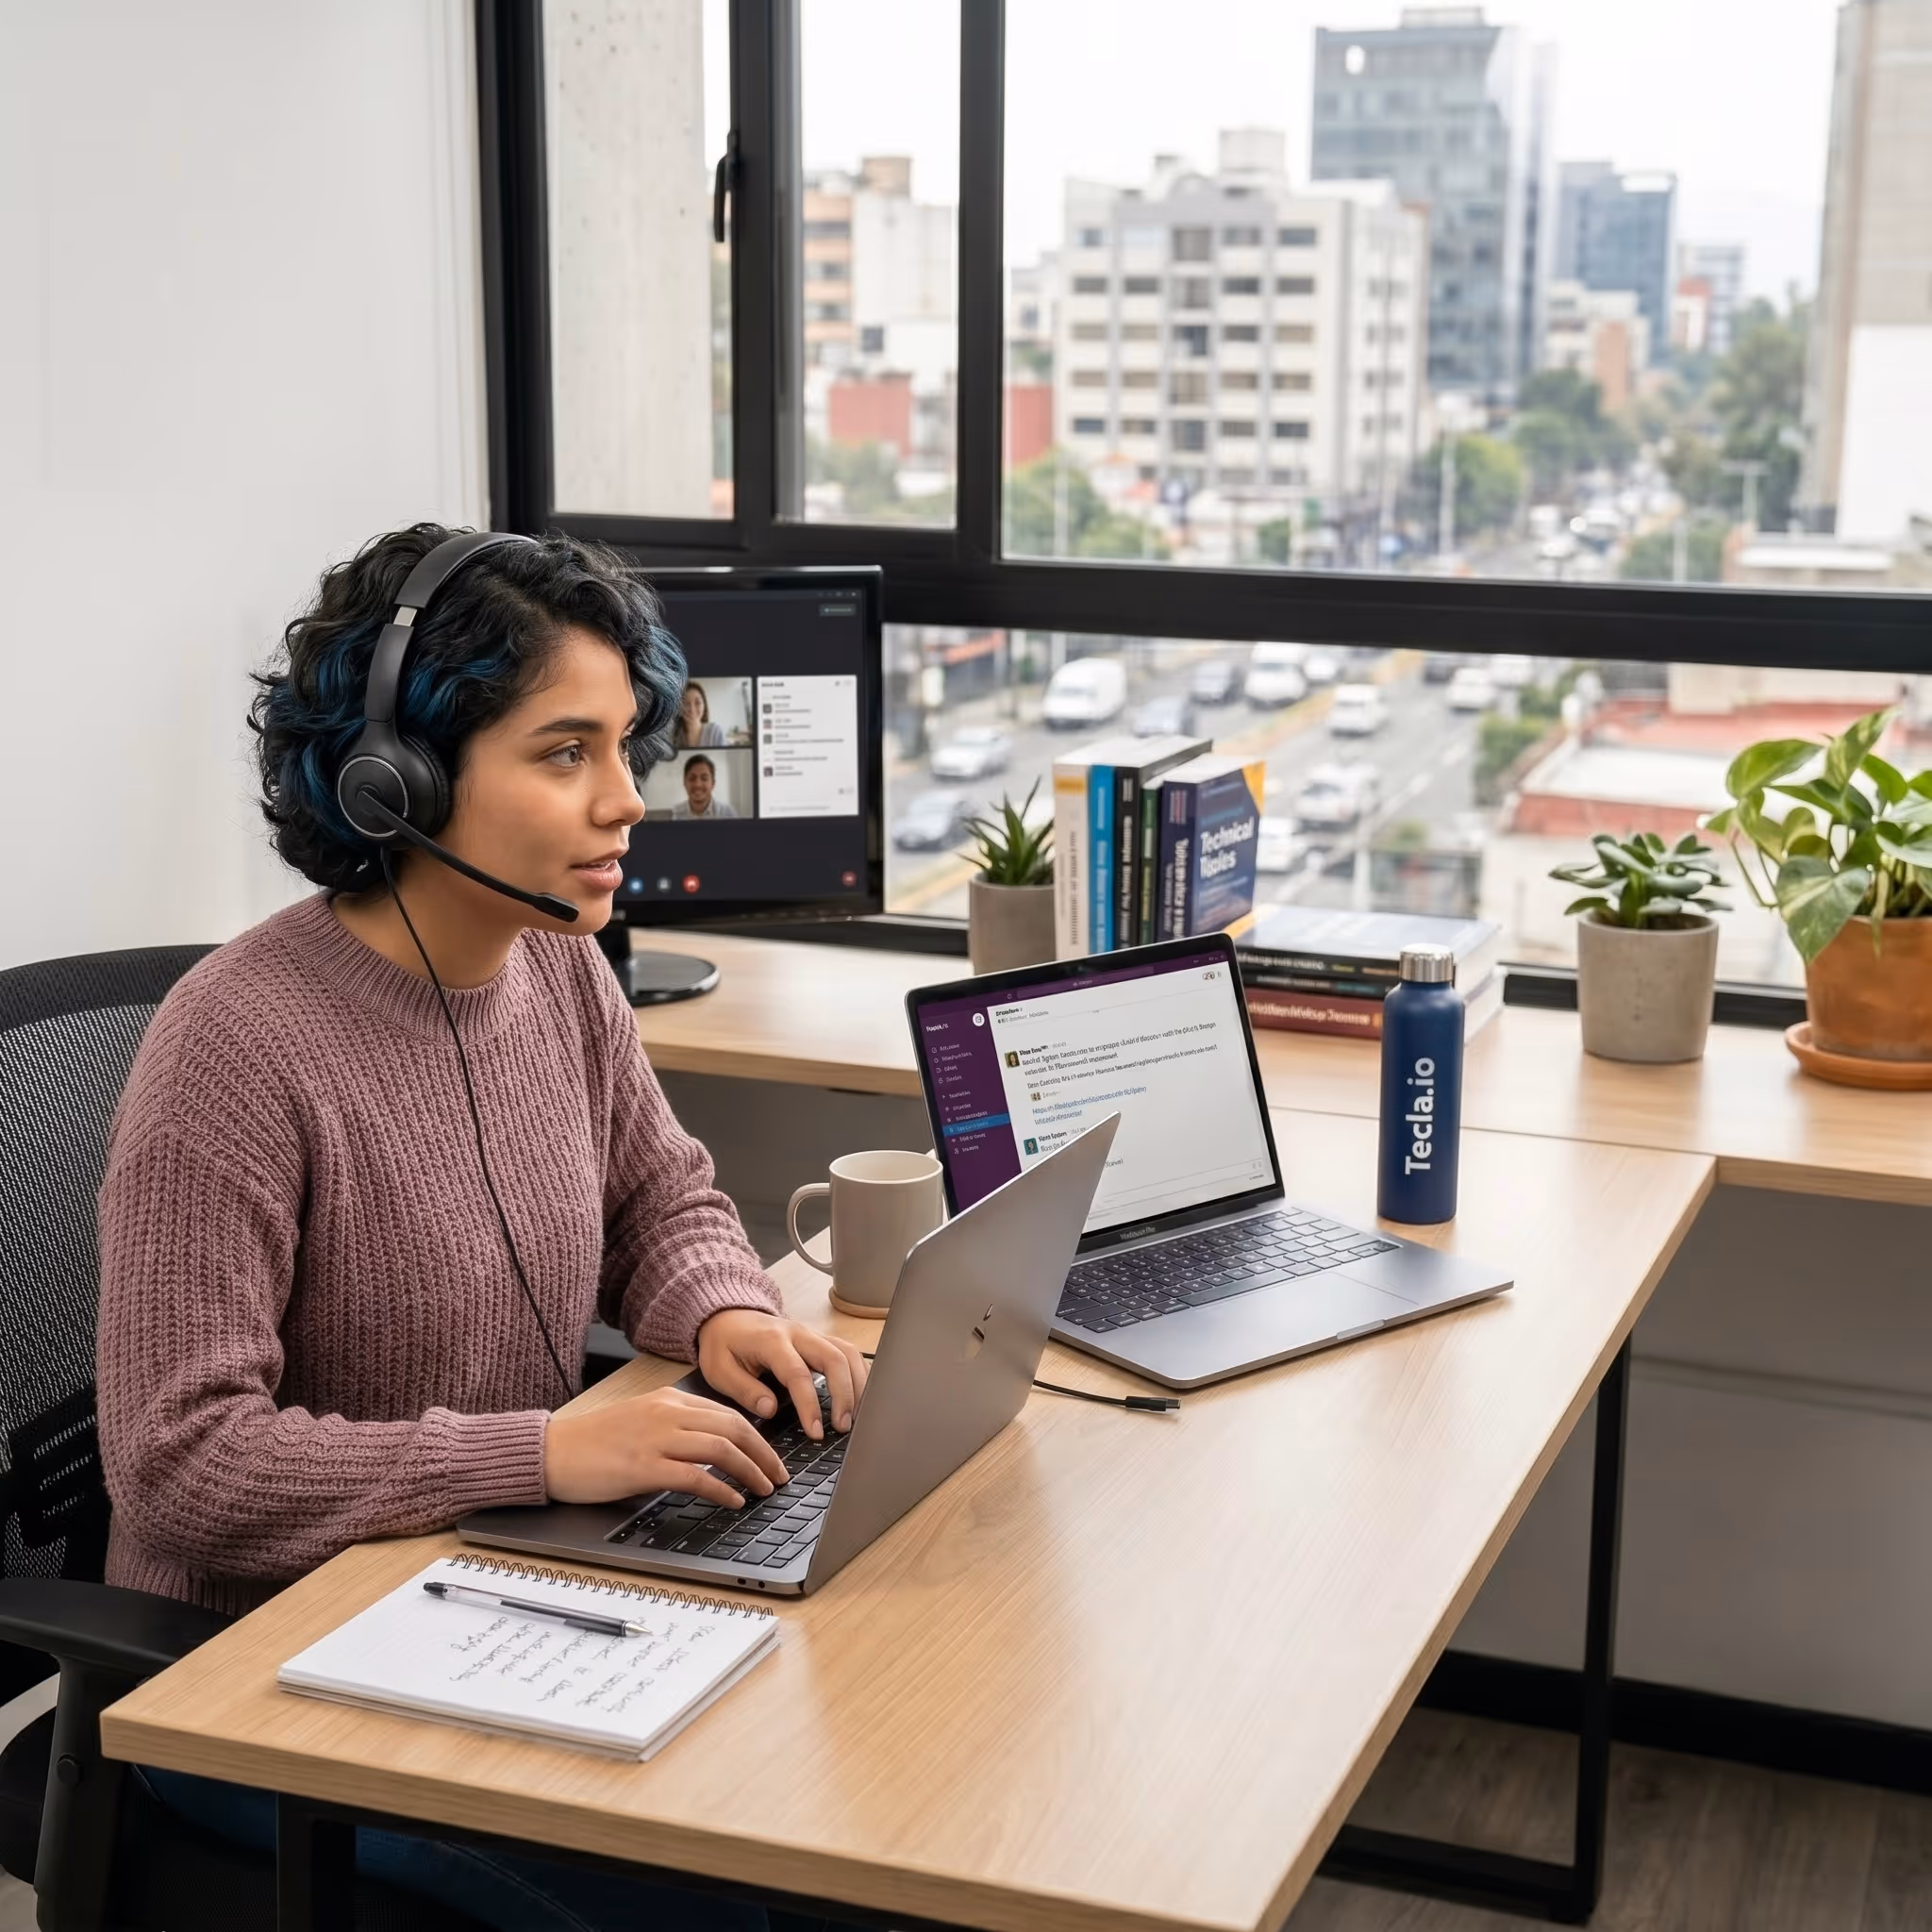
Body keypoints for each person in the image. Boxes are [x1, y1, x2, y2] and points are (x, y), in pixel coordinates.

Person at [95, 524, 864, 1932]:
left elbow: (662, 1194)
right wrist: (547, 1449)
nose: (627, 802)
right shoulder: (235, 1046)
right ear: (397, 779)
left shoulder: (556, 972)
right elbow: (176, 1468)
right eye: (565, 753)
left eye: (627, 747)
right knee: (711, 1905)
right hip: (252, 1669)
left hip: (481, 1595)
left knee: (838, 1796)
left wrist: (729, 1311)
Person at [671, 752, 739, 819]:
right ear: (684, 783)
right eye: (692, 778)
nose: (697, 784)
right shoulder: (675, 814)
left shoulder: (728, 813)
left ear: (713, 783)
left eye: (704, 778)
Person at [674, 677, 726, 748]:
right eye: (686, 703)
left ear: (704, 706)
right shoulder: (673, 735)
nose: (692, 709)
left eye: (697, 702)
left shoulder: (715, 732)